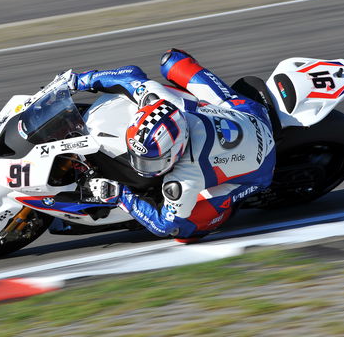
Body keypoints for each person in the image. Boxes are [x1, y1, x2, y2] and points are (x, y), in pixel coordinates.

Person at [69, 49, 276, 239]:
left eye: (152, 162)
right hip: (245, 112)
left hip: (261, 166)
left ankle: (230, 207)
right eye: (139, 158)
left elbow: (163, 225)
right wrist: (79, 81)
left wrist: (120, 195)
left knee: (182, 231)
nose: (142, 167)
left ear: (177, 151)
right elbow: (131, 75)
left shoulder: (186, 177)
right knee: (172, 59)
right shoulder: (161, 102)